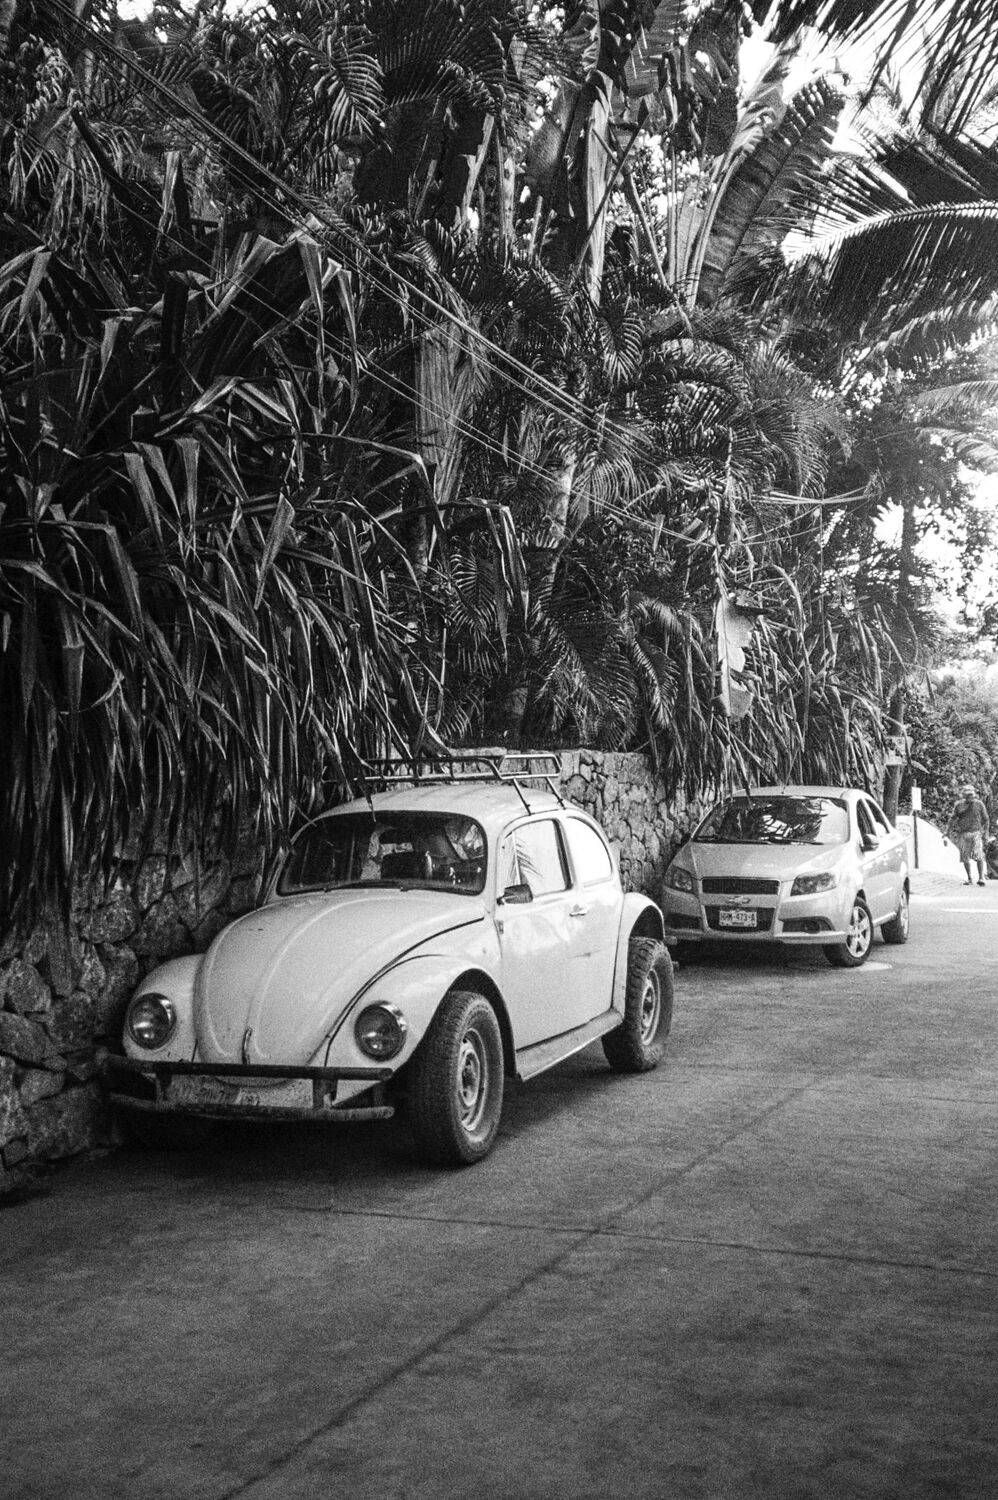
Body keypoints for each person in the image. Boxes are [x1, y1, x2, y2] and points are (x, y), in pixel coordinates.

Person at [945, 783, 991, 886]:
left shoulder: (979, 804)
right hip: (963, 833)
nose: (970, 797)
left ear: (974, 795)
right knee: (965, 857)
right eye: (968, 795)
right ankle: (969, 878)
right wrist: (947, 832)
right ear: (964, 796)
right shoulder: (959, 805)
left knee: (979, 855)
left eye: (971, 795)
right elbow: (952, 819)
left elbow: (986, 819)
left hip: (976, 832)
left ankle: (981, 878)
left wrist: (986, 833)